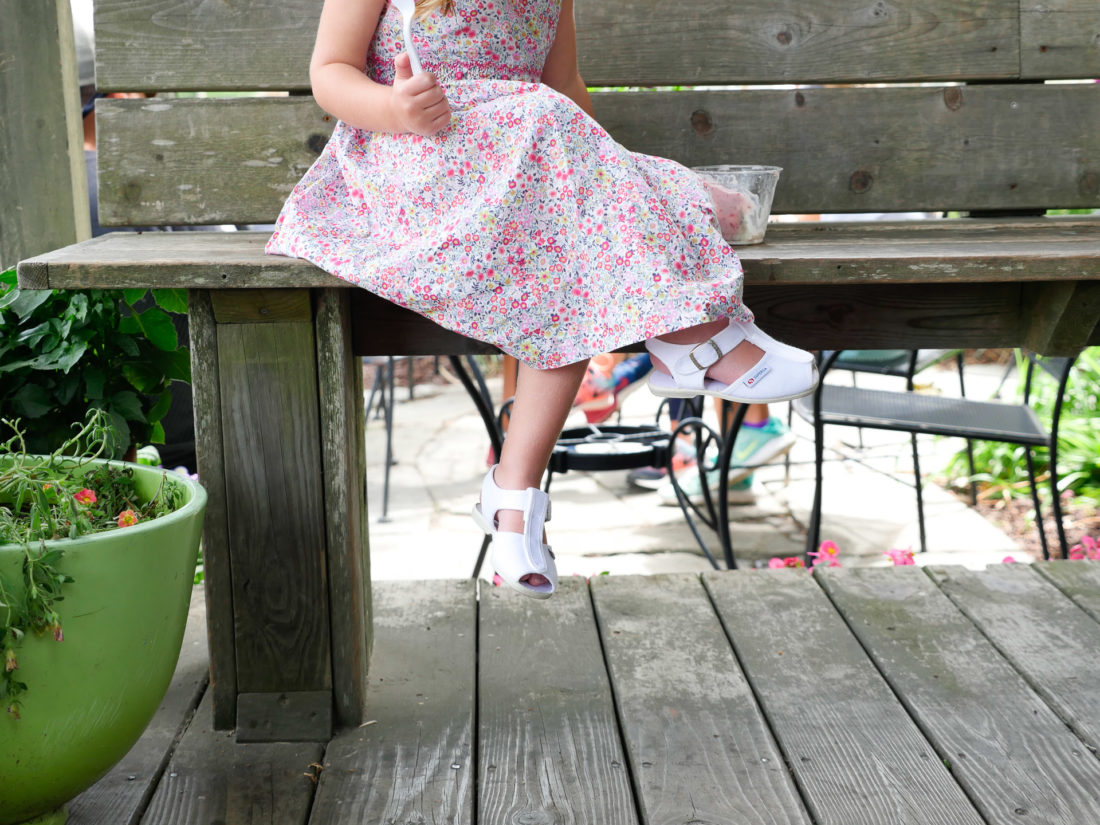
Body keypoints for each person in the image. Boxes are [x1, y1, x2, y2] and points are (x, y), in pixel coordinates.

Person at [265, 0, 818, 599]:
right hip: (417, 164)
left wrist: (606, 179)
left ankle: (513, 498)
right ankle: (693, 339)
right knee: (574, 190)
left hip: (523, 167)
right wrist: (393, 108)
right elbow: (331, 70)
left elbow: (563, 86)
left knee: (631, 213)